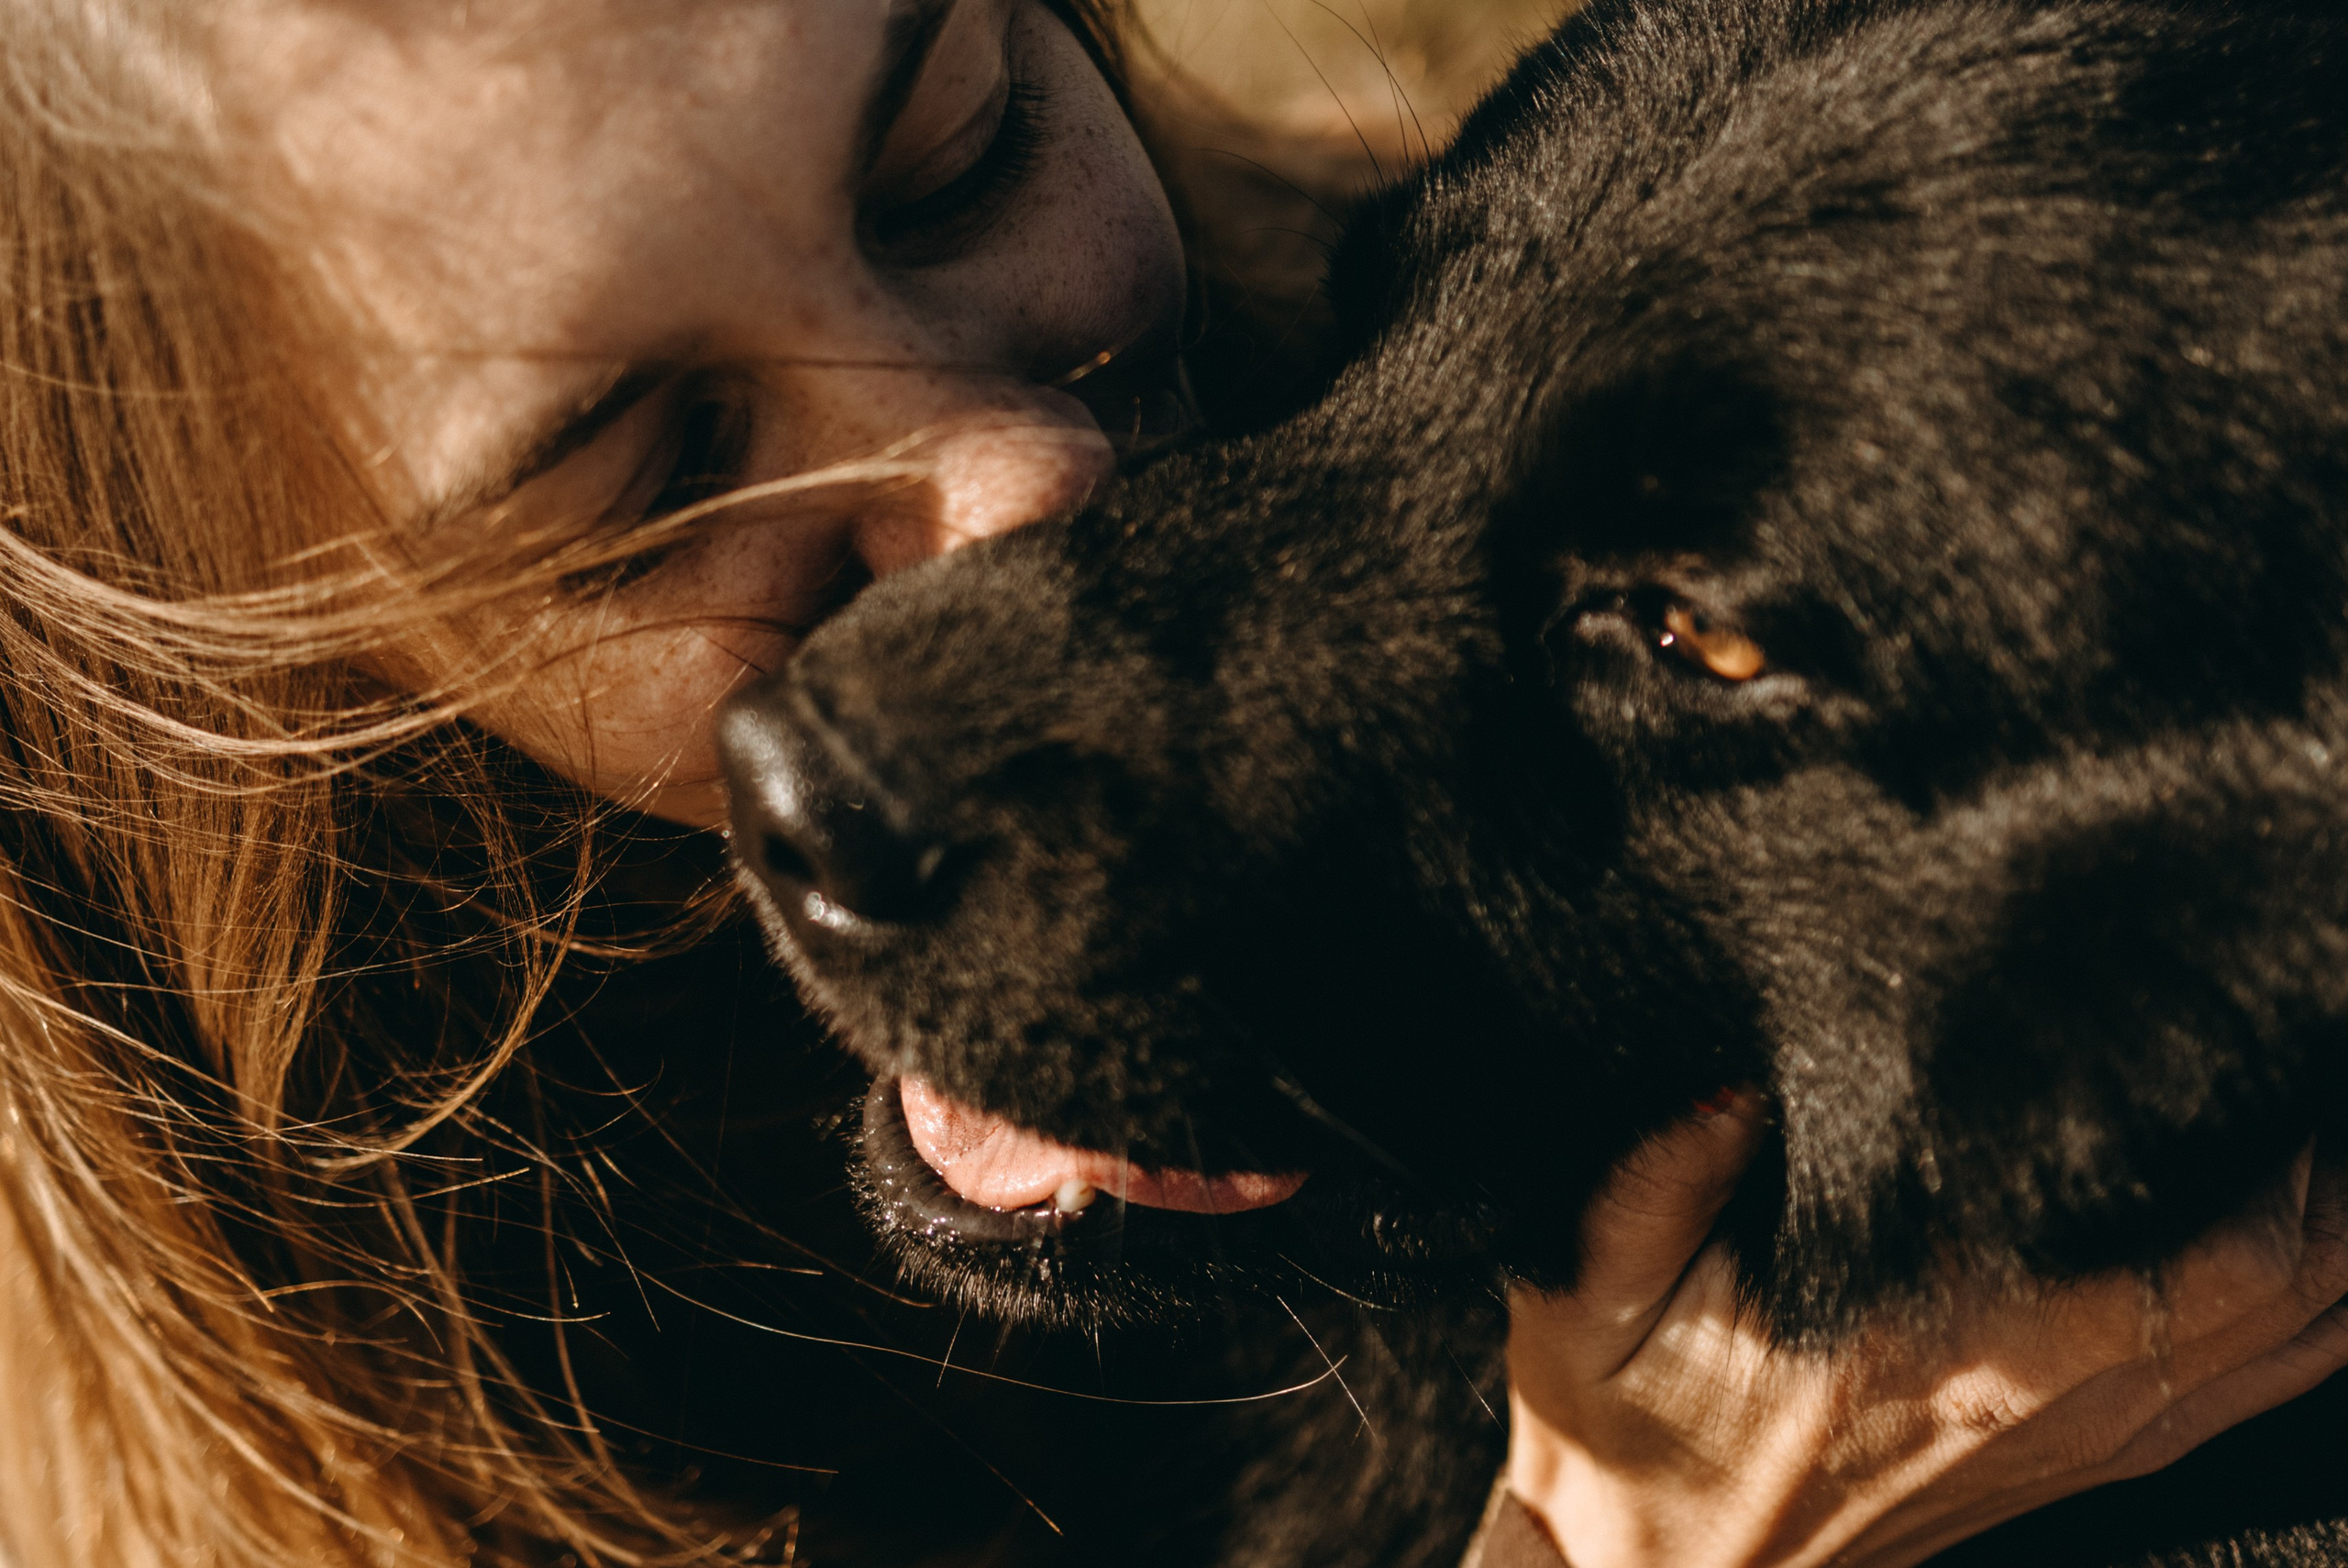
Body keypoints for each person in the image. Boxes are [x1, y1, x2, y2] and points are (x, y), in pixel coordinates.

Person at [0, 3, 2341, 1566]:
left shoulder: (1674, 227)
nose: (1018, 502)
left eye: (954, 160)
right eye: (657, 470)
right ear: (244, 625)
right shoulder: (267, 1419)